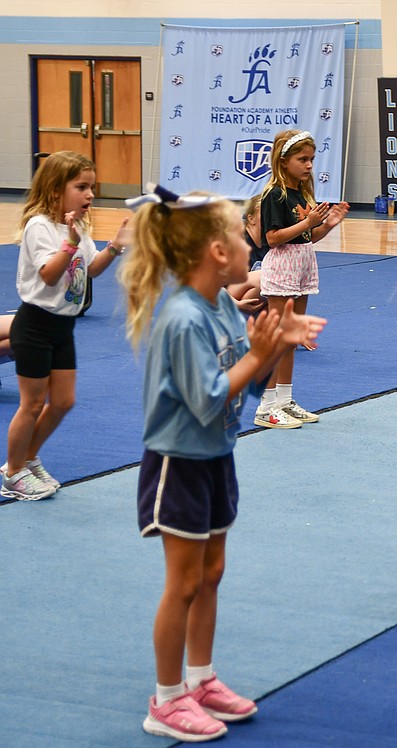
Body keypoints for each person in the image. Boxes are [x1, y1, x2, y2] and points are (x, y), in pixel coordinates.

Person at [119, 185, 326, 742]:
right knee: (183, 581)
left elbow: (247, 387)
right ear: (216, 251)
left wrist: (275, 344)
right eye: (239, 231)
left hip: (216, 456)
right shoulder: (184, 318)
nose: (246, 238)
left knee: (210, 574)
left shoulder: (223, 308)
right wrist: (261, 354)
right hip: (179, 464)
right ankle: (166, 700)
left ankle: (201, 678)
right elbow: (209, 397)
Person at [1, 151, 127, 501]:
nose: (90, 195)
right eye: (81, 187)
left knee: (63, 401)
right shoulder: (39, 226)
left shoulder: (78, 228)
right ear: (57, 190)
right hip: (35, 325)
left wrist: (114, 247)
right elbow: (49, 274)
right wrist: (69, 243)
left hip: (62, 328)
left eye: (92, 187)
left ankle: (28, 456)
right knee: (31, 403)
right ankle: (12, 473)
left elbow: (90, 271)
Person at [253, 129, 348, 429]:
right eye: (302, 159)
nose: (309, 165)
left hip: (303, 263)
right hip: (282, 266)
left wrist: (327, 225)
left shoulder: (301, 193)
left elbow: (309, 235)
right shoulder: (274, 194)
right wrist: (307, 222)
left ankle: (284, 399)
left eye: (311, 160)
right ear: (283, 162)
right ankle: (266, 405)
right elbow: (272, 238)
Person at [226, 195, 265, 315]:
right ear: (251, 218)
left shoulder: (271, 242)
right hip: (217, 297)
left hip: (240, 293)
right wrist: (235, 303)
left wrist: (325, 226)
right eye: (265, 214)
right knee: (264, 278)